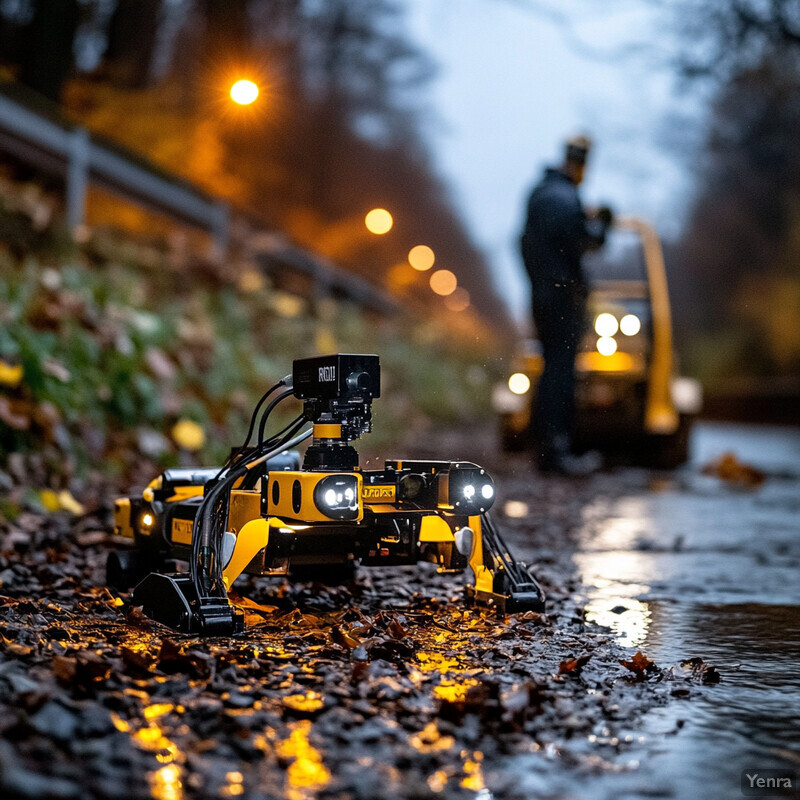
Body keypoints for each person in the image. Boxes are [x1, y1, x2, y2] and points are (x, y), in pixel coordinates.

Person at [520, 135, 613, 474]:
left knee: (551, 369)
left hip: (545, 295)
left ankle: (544, 448)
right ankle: (554, 452)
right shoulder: (562, 197)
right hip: (560, 298)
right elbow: (583, 239)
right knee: (560, 372)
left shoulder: (540, 193)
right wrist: (601, 224)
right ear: (580, 164)